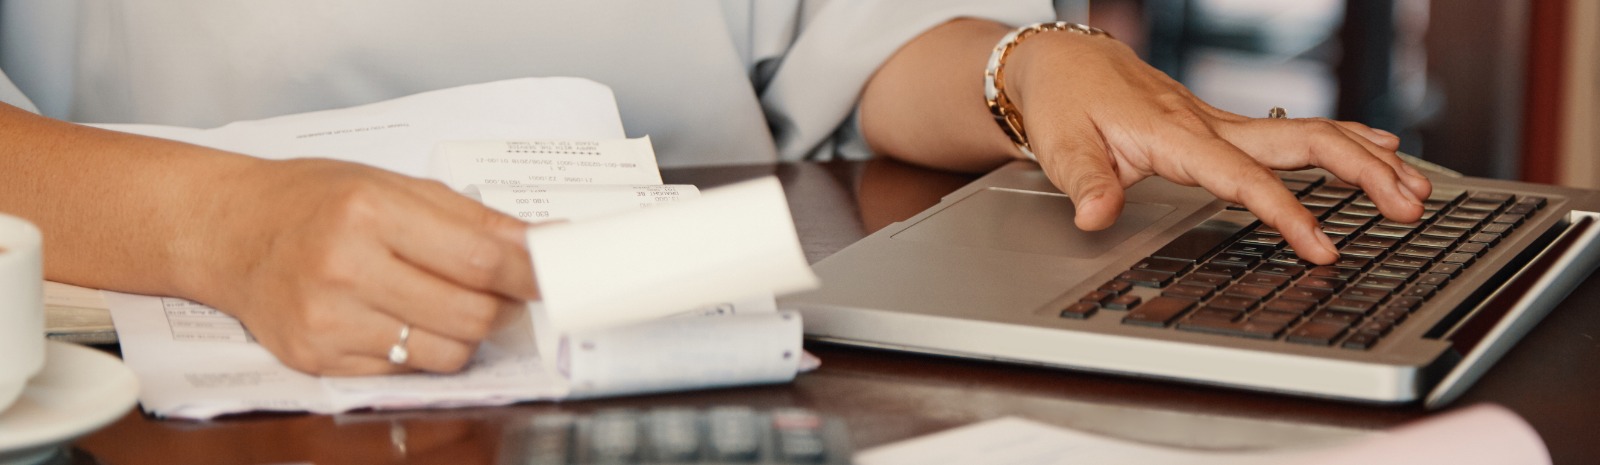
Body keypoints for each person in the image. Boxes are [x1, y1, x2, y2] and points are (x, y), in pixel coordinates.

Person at [0, 1, 1429, 376]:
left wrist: (1028, 67)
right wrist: (219, 222)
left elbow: (839, 35)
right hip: (209, 368)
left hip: (726, 357)